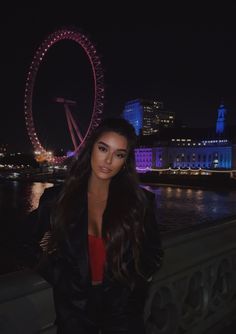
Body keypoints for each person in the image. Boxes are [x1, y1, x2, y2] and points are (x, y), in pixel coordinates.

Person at [23, 117, 164, 334]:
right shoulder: (58, 200)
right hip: (75, 316)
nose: (108, 161)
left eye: (119, 154)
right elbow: (24, 241)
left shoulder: (140, 202)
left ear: (125, 161)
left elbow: (153, 252)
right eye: (103, 148)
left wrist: (133, 283)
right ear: (91, 149)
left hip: (123, 317)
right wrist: (58, 274)